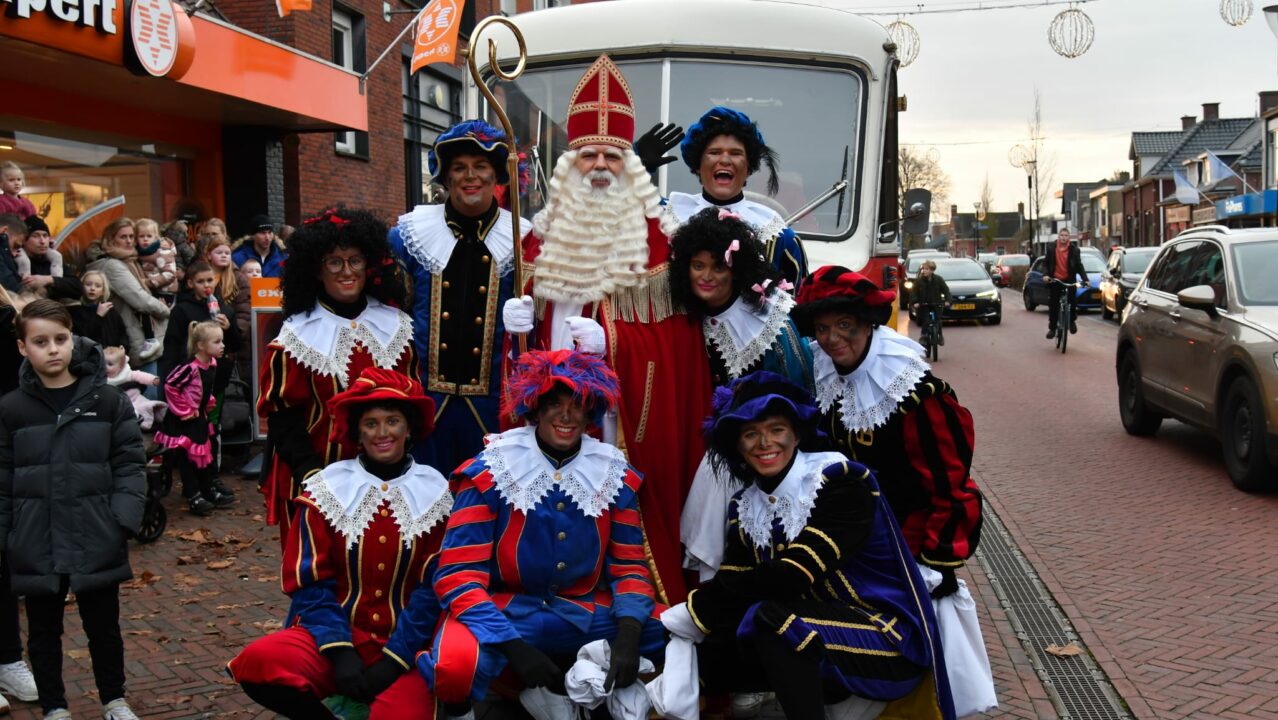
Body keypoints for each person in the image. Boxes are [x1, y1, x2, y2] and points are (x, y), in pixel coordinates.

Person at [503, 54, 713, 603]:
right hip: (550, 410)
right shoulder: (538, 238)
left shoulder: (660, 240)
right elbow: (525, 342)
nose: (599, 166)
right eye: (587, 155)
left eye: (612, 156)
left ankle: (631, 627)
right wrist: (515, 329)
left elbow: (680, 350)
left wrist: (617, 346)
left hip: (616, 425)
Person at [666, 371, 955, 720]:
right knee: (706, 650)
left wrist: (691, 611)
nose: (764, 443)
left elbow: (791, 575)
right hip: (815, 636)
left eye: (776, 430)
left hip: (887, 639)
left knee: (772, 618)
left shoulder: (842, 481)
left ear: (796, 434)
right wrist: (664, 631)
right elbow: (734, 579)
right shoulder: (745, 505)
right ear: (738, 446)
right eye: (750, 434)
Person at [423, 350, 665, 719]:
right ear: (535, 409)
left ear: (591, 413)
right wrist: (510, 644)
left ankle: (581, 687)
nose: (566, 415)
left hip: (582, 611)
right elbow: (457, 575)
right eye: (554, 403)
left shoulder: (613, 474)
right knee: (455, 666)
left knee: (670, 632)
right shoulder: (491, 470)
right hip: (505, 611)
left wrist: (630, 633)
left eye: (578, 405)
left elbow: (629, 568)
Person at [229, 367, 449, 720]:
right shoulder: (327, 489)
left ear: (409, 430)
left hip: (405, 647)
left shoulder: (436, 493)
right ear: (357, 432)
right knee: (258, 662)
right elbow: (310, 582)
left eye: (393, 421)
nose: (382, 433)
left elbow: (432, 589)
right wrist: (339, 649)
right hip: (336, 639)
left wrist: (393, 662)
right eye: (371, 423)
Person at [792, 266, 982, 596]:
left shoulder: (913, 394)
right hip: (840, 542)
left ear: (868, 323)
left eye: (844, 325)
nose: (832, 339)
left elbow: (951, 487)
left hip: (901, 547)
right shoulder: (822, 378)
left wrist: (934, 563)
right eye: (822, 328)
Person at [0, 300, 146, 720]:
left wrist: (121, 520)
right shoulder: (12, 409)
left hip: (95, 531)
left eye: (60, 339)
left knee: (104, 627)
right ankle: (54, 706)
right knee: (44, 630)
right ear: (22, 347)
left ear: (73, 340)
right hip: (35, 537)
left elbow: (130, 464)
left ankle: (114, 700)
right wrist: (8, 535)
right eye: (40, 342)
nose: (52, 350)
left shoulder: (107, 402)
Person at [670, 208, 814, 587]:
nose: (707, 276)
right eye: (697, 265)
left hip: (758, 456)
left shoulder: (769, 320)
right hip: (696, 451)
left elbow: (797, 392)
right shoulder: (684, 316)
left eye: (718, 266)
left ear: (736, 269)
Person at [257, 208, 415, 544]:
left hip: (386, 473)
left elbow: (411, 401)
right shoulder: (295, 336)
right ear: (316, 269)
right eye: (334, 262)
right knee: (317, 575)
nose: (347, 271)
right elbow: (283, 417)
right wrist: (311, 474)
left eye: (355, 260)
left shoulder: (396, 326)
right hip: (316, 473)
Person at [389, 120, 518, 477]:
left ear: (496, 178)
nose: (470, 176)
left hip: (493, 408)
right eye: (459, 167)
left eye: (481, 167)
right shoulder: (408, 237)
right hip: (427, 406)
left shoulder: (522, 241)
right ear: (445, 178)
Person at [663, 107, 808, 289]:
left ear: (748, 167)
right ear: (698, 165)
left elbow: (796, 305)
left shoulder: (778, 236)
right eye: (714, 152)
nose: (725, 160)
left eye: (735, 153)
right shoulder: (666, 216)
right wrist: (634, 164)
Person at [154, 320, 235, 516]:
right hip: (184, 420)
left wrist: (207, 401)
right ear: (201, 346)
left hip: (199, 417)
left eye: (221, 341)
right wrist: (184, 409)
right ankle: (193, 495)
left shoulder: (212, 364)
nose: (222, 346)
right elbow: (170, 386)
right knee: (187, 459)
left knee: (204, 457)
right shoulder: (189, 368)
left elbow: (204, 388)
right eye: (216, 342)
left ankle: (207, 491)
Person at [86, 219, 169, 364]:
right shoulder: (113, 265)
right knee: (148, 382)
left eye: (131, 236)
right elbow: (140, 299)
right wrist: (166, 310)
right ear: (111, 240)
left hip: (139, 334)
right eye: (123, 237)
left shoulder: (129, 260)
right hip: (137, 337)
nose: (129, 241)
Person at [200, 233, 252, 381]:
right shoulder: (201, 275)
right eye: (219, 252)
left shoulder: (239, 278)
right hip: (203, 336)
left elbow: (244, 312)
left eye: (227, 253)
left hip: (229, 340)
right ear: (209, 255)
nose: (224, 256)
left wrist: (233, 330)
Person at [17, 216, 80, 303]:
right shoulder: (16, 260)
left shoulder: (53, 260)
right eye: (35, 236)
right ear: (24, 240)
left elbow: (77, 288)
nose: (42, 241)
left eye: (45, 236)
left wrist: (49, 280)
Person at [1042, 229, 1089, 338]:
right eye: (1062, 235)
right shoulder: (1051, 248)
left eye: (1066, 235)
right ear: (1058, 236)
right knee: (1053, 304)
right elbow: (1046, 263)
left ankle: (1071, 322)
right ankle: (1052, 329)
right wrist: (1045, 275)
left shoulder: (1074, 250)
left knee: (1072, 300)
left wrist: (1085, 279)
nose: (1064, 237)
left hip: (1069, 279)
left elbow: (1079, 266)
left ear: (1069, 237)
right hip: (1055, 279)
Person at [68, 270, 127, 351]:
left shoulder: (110, 310)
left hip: (114, 357)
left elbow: (122, 332)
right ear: (81, 286)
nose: (92, 288)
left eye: (98, 286)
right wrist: (98, 316)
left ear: (103, 291)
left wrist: (123, 346)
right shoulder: (76, 312)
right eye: (88, 284)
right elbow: (84, 338)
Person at [910, 259, 950, 345]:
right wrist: (915, 302)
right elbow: (913, 292)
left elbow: (946, 290)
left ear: (932, 270)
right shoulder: (919, 281)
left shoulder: (938, 280)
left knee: (937, 320)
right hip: (923, 305)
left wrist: (948, 300)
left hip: (936, 304)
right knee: (926, 320)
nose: (924, 271)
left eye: (926, 269)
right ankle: (923, 336)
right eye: (923, 269)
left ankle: (940, 335)